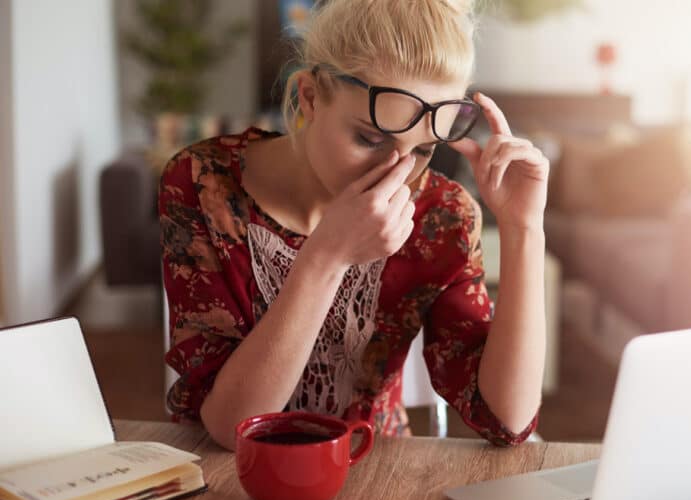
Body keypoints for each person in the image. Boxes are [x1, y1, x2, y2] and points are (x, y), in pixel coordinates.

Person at [158, 0, 550, 451]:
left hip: (373, 471)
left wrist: (524, 229)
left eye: (424, 150)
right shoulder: (204, 183)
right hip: (229, 482)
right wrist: (327, 256)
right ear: (308, 96)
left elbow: (506, 420)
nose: (395, 172)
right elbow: (232, 428)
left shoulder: (440, 215)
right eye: (370, 138)